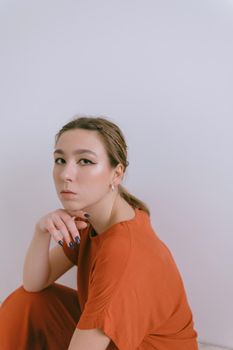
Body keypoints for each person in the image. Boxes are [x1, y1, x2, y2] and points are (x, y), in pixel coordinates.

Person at [0, 116, 198, 350]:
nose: (66, 174)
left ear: (117, 174)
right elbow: (34, 284)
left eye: (85, 161)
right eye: (60, 160)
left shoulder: (125, 251)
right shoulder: (91, 221)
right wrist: (41, 230)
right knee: (28, 303)